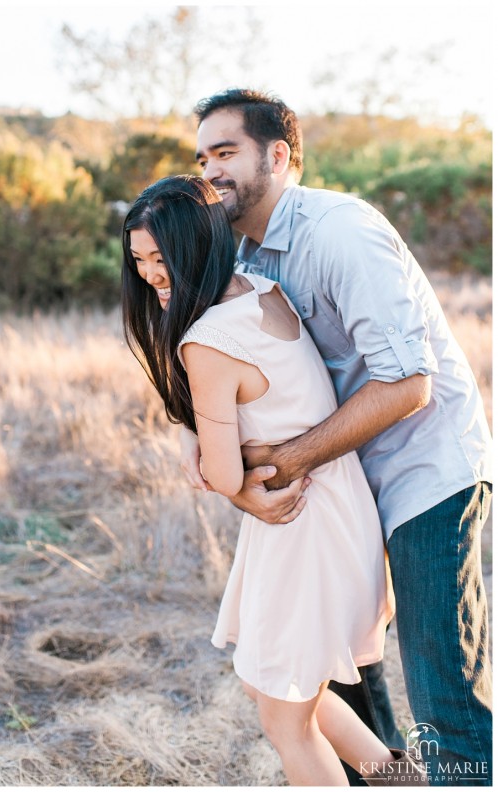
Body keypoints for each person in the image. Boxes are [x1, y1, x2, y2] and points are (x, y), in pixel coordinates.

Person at [179, 89, 493, 787]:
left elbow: (407, 386)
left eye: (226, 152)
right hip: (339, 485)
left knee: (442, 689)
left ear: (277, 156)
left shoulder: (339, 233)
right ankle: (393, 781)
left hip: (421, 471)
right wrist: (194, 440)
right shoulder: (235, 254)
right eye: (202, 158)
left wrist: (286, 462)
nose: (211, 170)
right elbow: (206, 356)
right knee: (339, 671)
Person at [121, 175, 428, 786]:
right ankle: (402, 781)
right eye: (139, 260)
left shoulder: (206, 341)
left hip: (300, 523)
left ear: (198, 247)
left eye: (162, 258)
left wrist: (219, 459)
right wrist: (207, 437)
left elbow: (224, 473)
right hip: (335, 508)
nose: (152, 275)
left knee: (286, 720)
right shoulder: (262, 289)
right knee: (280, 691)